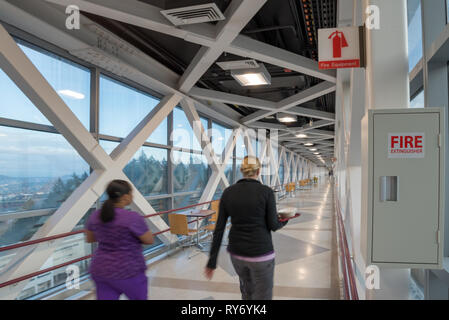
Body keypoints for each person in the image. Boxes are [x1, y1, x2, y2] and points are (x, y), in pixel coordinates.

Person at [204, 156, 288, 300]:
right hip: (261, 255)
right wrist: (285, 220)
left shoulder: (228, 192)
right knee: (262, 296)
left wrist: (211, 262)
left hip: (237, 255)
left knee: (247, 292)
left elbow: (219, 229)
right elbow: (273, 225)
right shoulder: (266, 192)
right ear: (258, 171)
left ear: (242, 171)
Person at [85, 180, 154, 300]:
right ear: (125, 196)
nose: (132, 196)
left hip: (101, 269)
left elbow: (90, 238)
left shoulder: (96, 215)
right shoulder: (132, 217)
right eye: (132, 193)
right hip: (128, 270)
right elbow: (149, 240)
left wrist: (108, 235)